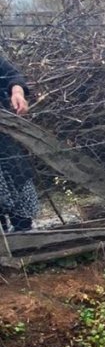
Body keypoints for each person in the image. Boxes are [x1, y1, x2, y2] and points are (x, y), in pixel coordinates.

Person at [0, 54, 40, 232]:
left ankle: (24, 228)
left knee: (15, 171)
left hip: (2, 130)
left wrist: (17, 92)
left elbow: (13, 75)